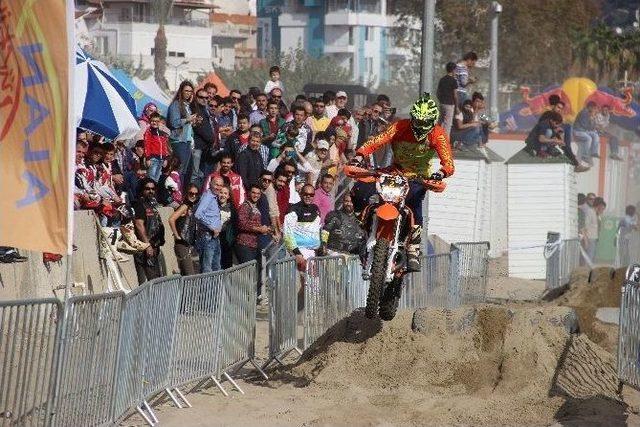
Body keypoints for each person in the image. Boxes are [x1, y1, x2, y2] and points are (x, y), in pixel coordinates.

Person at [353, 93, 454, 272]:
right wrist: (360, 154)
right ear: (412, 117)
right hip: (395, 172)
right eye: (418, 121)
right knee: (361, 189)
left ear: (433, 121)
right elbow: (377, 141)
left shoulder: (438, 134)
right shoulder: (399, 126)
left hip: (418, 177)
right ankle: (362, 231)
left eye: (425, 123)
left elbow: (448, 163)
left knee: (414, 203)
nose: (421, 126)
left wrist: (441, 173)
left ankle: (413, 248)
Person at [237, 184, 272, 292]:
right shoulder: (245, 206)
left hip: (254, 245)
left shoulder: (255, 207)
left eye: (258, 193)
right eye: (253, 192)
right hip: (244, 244)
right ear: (249, 193)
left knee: (255, 273)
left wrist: (265, 229)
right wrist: (259, 229)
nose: (255, 195)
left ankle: (255, 298)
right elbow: (242, 224)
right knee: (248, 273)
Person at [132, 178, 165, 284]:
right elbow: (139, 225)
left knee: (156, 279)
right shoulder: (140, 204)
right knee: (151, 282)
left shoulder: (152, 204)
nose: (151, 191)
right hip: (144, 250)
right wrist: (147, 245)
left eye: (152, 189)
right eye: (147, 189)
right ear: (142, 190)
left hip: (154, 247)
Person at [283, 184, 322, 272]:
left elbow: (318, 229)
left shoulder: (315, 208)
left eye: (311, 195)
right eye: (306, 194)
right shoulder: (293, 209)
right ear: (301, 194)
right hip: (300, 252)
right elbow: (287, 233)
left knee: (314, 284)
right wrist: (297, 253)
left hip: (313, 252)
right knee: (300, 283)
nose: (308, 196)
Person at [167, 80, 197, 184]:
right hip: (179, 141)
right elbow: (174, 123)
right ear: (181, 91)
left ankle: (182, 194)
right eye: (186, 91)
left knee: (188, 171)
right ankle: (177, 193)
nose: (188, 93)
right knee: (180, 170)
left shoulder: (187, 106)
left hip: (187, 141)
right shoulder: (176, 105)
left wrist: (193, 121)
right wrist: (188, 119)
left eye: (190, 91)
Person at [168, 183, 199, 276]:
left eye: (196, 194)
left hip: (189, 244)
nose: (193, 196)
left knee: (189, 274)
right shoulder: (184, 206)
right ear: (186, 193)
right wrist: (177, 235)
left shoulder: (192, 207)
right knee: (190, 275)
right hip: (182, 244)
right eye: (191, 193)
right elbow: (171, 219)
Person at [194, 177, 222, 273]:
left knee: (216, 267)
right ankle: (206, 288)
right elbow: (198, 215)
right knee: (207, 268)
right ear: (210, 184)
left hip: (213, 237)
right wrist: (212, 227)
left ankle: (214, 288)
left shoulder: (213, 197)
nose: (218, 187)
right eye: (216, 185)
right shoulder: (208, 197)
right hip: (208, 236)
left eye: (220, 185)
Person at [191, 87, 217, 187]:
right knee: (194, 174)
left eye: (206, 98)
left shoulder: (205, 109)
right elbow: (199, 128)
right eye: (201, 97)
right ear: (196, 97)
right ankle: (192, 194)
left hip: (205, 148)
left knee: (201, 174)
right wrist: (211, 139)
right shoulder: (195, 108)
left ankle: (198, 194)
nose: (204, 99)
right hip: (197, 147)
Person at [140, 112, 171, 182]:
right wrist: (148, 158)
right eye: (153, 121)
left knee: (156, 179)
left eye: (157, 121)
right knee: (151, 178)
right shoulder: (148, 132)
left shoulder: (161, 133)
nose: (154, 123)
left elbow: (164, 146)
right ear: (150, 121)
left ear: (159, 122)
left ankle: (154, 191)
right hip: (152, 158)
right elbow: (146, 145)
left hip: (161, 159)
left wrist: (165, 158)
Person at [436, 62, 459, 137]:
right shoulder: (453, 81)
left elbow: (438, 93)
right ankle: (444, 144)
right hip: (449, 104)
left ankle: (435, 139)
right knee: (447, 125)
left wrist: (441, 101)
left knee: (440, 122)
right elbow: (455, 95)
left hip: (442, 104)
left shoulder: (442, 79)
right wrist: (457, 107)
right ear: (453, 70)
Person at [218, 184, 237, 269]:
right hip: (214, 240)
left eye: (225, 193)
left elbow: (235, 226)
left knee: (226, 265)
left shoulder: (232, 209)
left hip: (226, 241)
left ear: (228, 196)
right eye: (221, 192)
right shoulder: (213, 206)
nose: (223, 195)